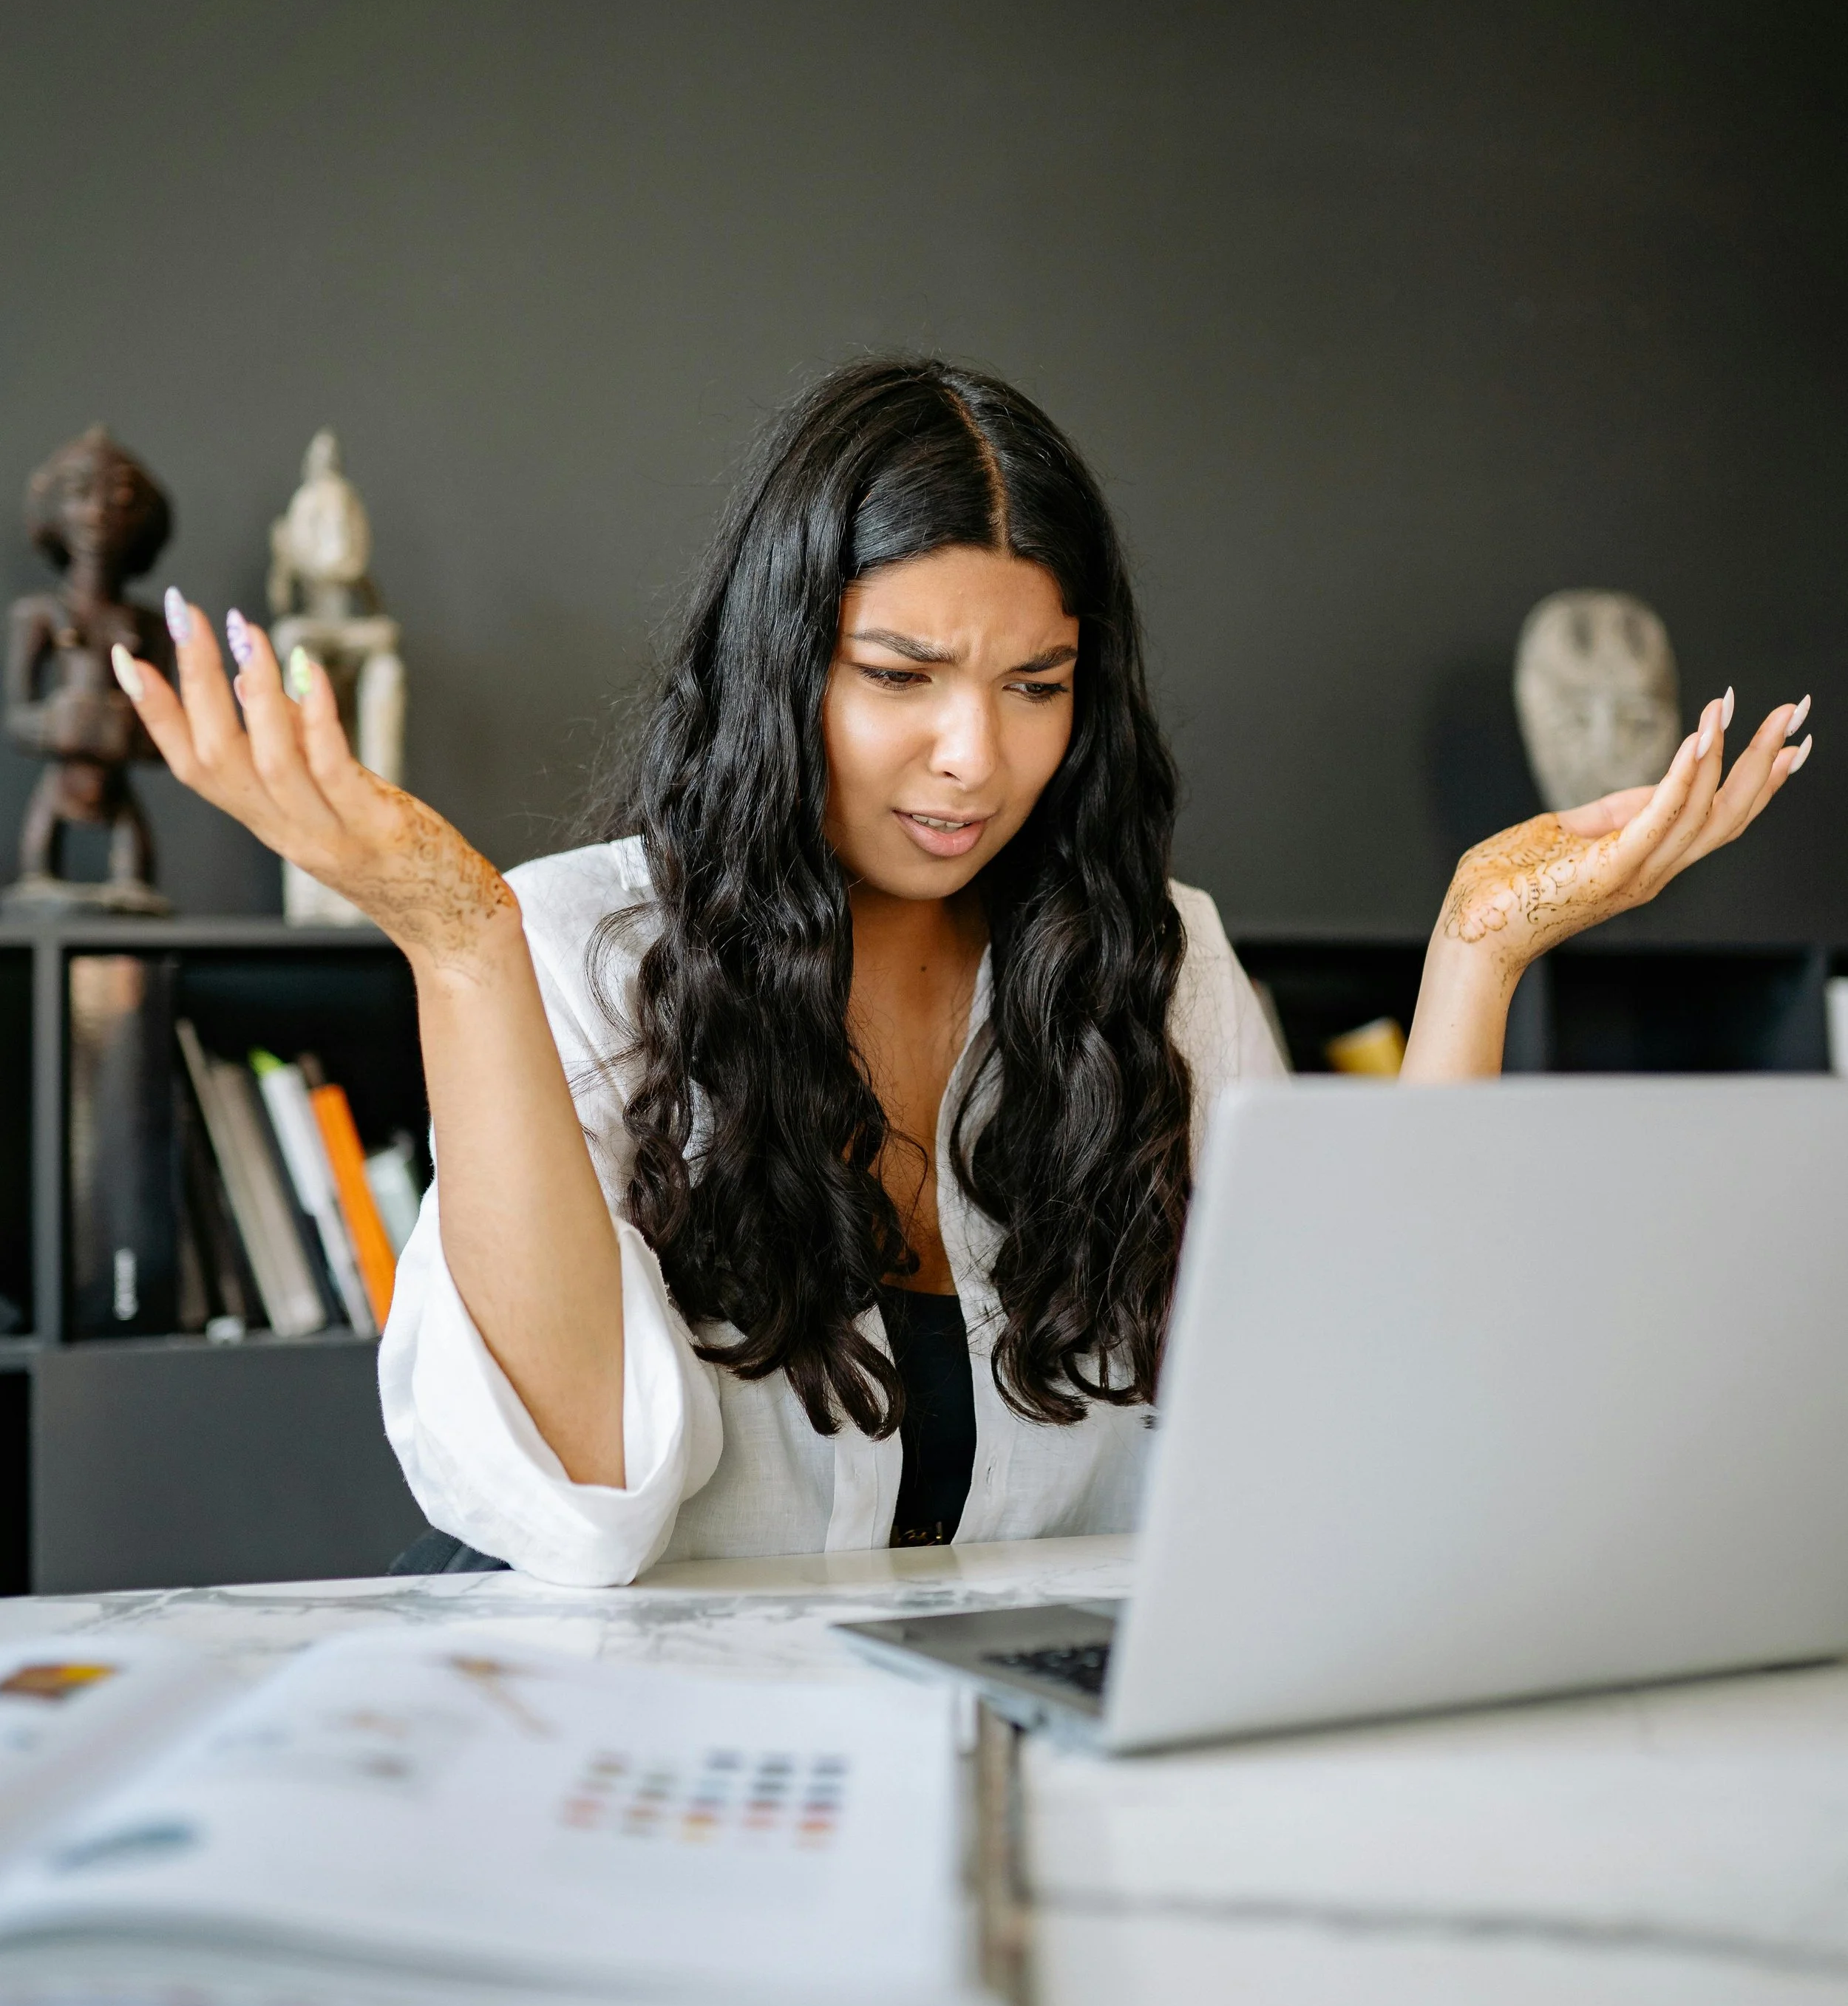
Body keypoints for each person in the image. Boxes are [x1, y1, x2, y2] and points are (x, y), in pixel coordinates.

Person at [112, 361, 1813, 1583]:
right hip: (638, 1753)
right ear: (784, 665)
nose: (969, 760)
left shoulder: (1156, 970)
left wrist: (1475, 952)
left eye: (1034, 684)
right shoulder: (575, 945)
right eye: (900, 672)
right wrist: (456, 942)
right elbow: (588, 1501)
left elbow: (1342, 1446)